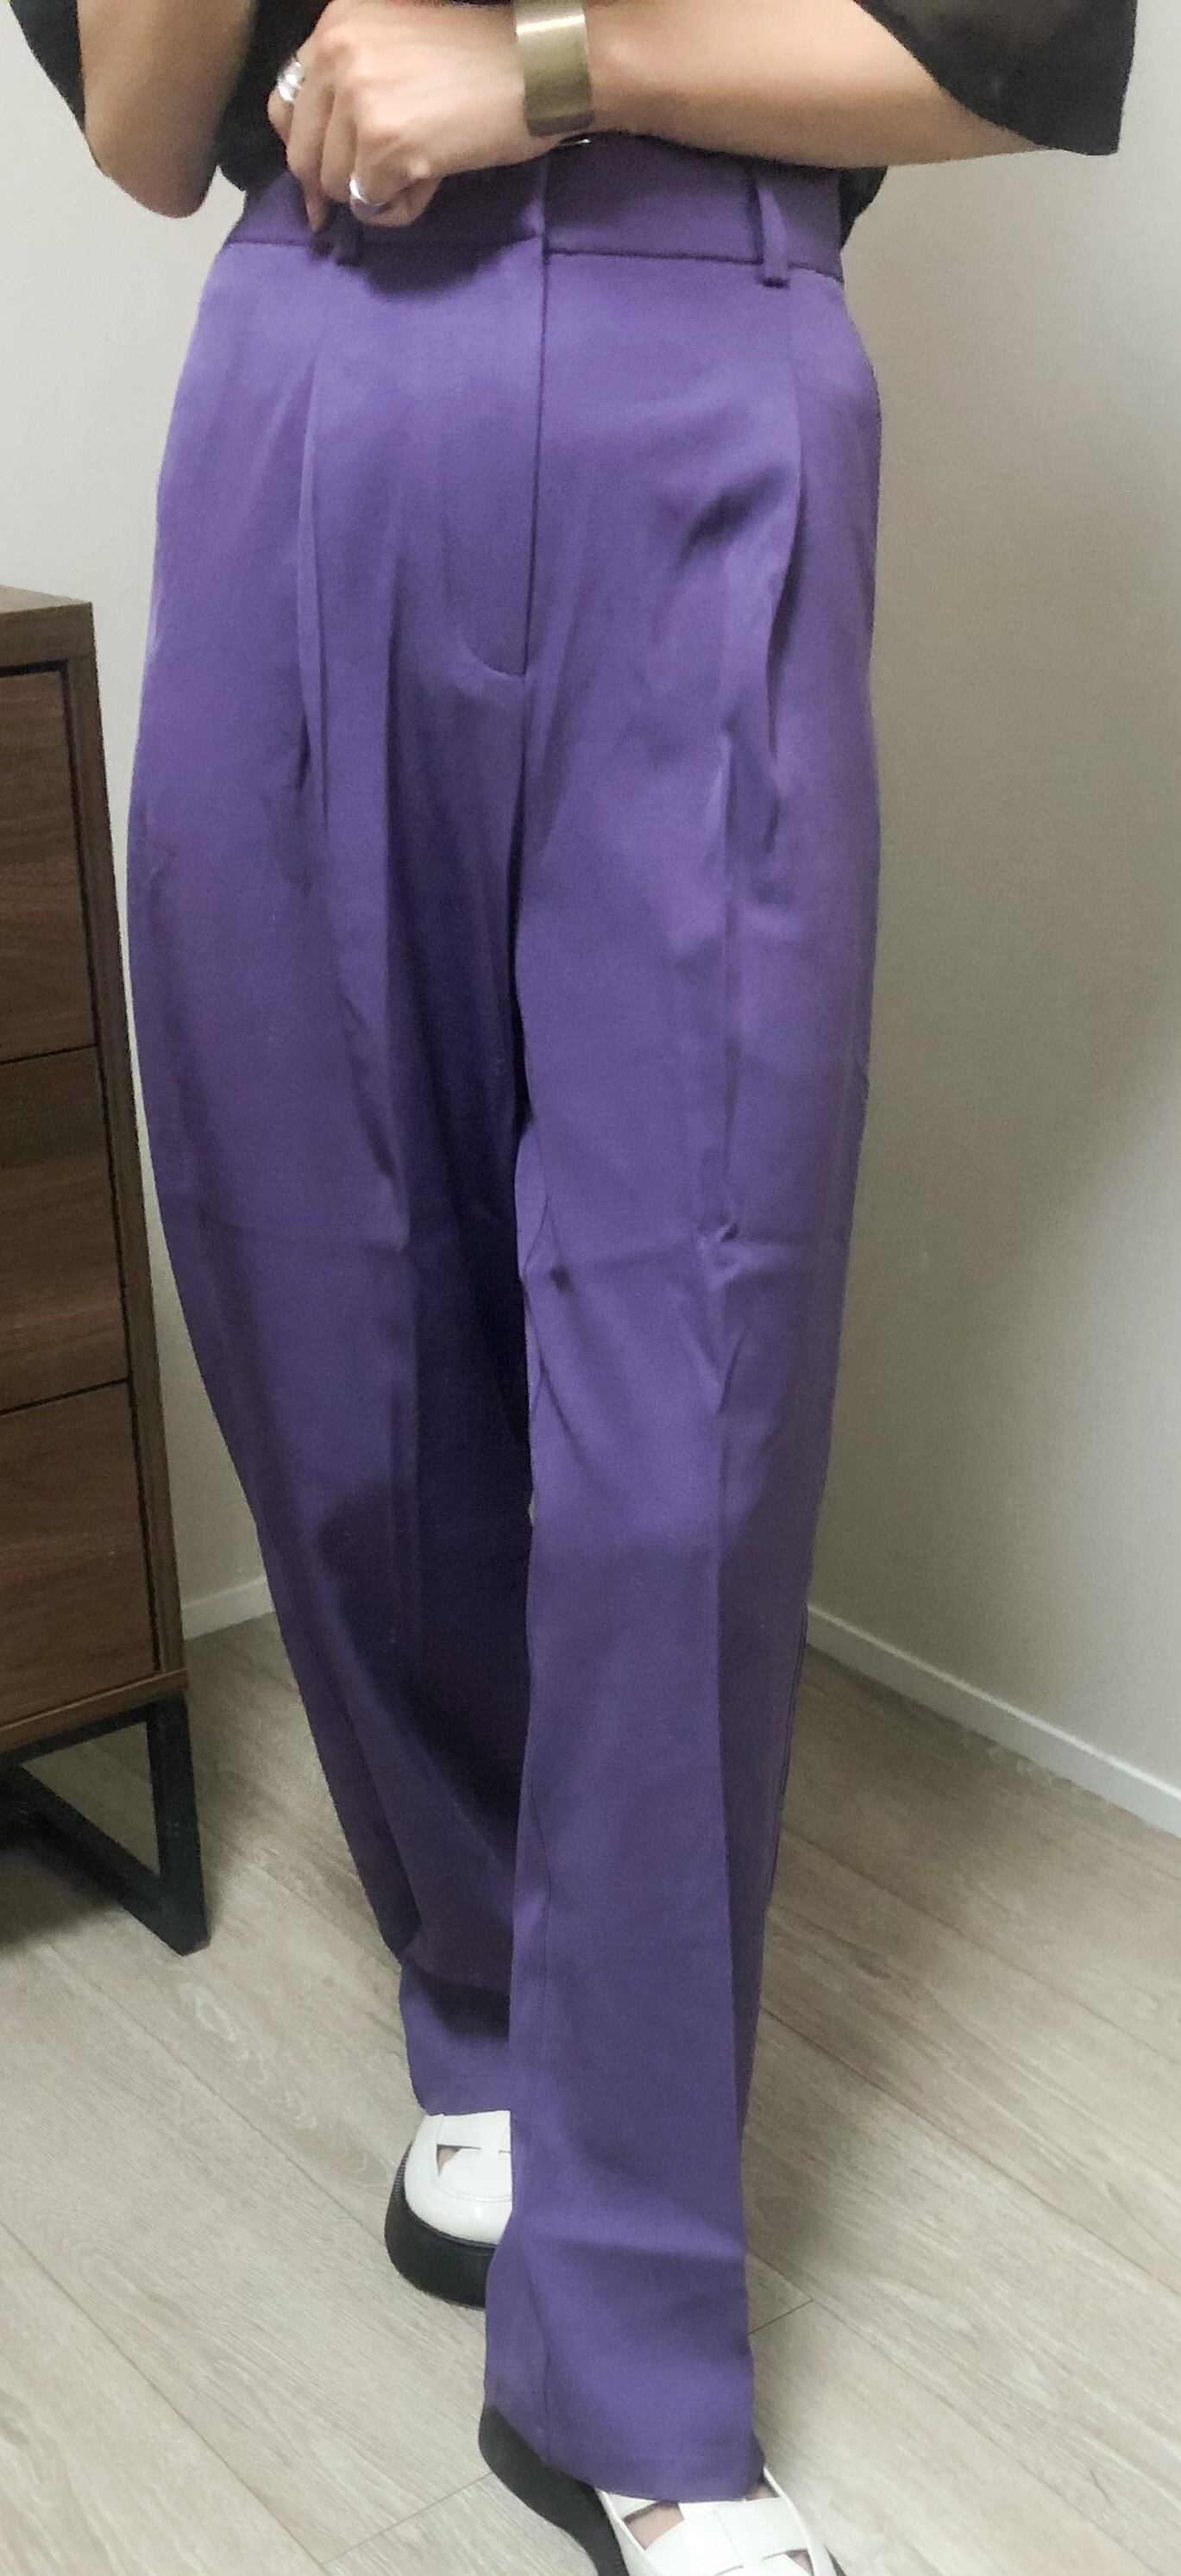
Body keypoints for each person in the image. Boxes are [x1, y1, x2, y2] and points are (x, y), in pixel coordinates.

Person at [13, 6, 1137, 2571]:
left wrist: (548, 66)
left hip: (701, 361)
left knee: (683, 1373)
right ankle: (491, 2001)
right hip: (309, 358)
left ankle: (627, 2351)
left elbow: (1016, 52)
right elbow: (145, 132)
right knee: (324, 1306)